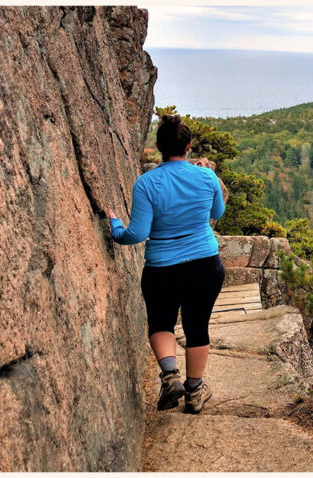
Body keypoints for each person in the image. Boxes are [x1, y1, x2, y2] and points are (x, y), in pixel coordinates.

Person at [106, 115, 226, 414]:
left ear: (159, 146)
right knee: (197, 327)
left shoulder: (146, 183)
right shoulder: (206, 177)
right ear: (189, 146)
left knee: (161, 323)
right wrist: (206, 175)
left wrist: (115, 227)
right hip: (205, 264)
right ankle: (195, 392)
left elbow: (137, 234)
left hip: (162, 269)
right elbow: (218, 212)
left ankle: (170, 376)